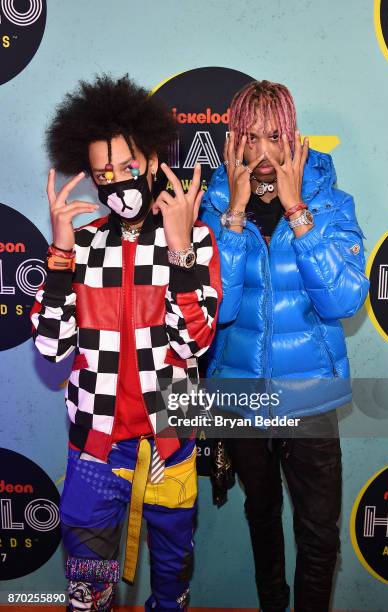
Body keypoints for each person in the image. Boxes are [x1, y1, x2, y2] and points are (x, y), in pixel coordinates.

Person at [30, 74, 221, 612]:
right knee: (89, 597)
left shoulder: (196, 237)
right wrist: (62, 258)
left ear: (155, 159)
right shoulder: (84, 245)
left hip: (170, 446)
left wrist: (181, 250)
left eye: (129, 168)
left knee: (171, 592)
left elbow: (197, 341)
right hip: (96, 450)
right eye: (103, 175)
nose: (118, 183)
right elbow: (50, 348)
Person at [199, 80, 369, 612]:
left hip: (310, 399)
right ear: (235, 144)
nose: (265, 153)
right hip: (241, 398)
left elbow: (343, 300)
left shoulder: (332, 205)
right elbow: (218, 314)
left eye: (276, 136)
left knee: (319, 534)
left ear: (294, 137)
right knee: (262, 516)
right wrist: (232, 220)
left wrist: (299, 214)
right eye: (251, 138)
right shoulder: (213, 208)